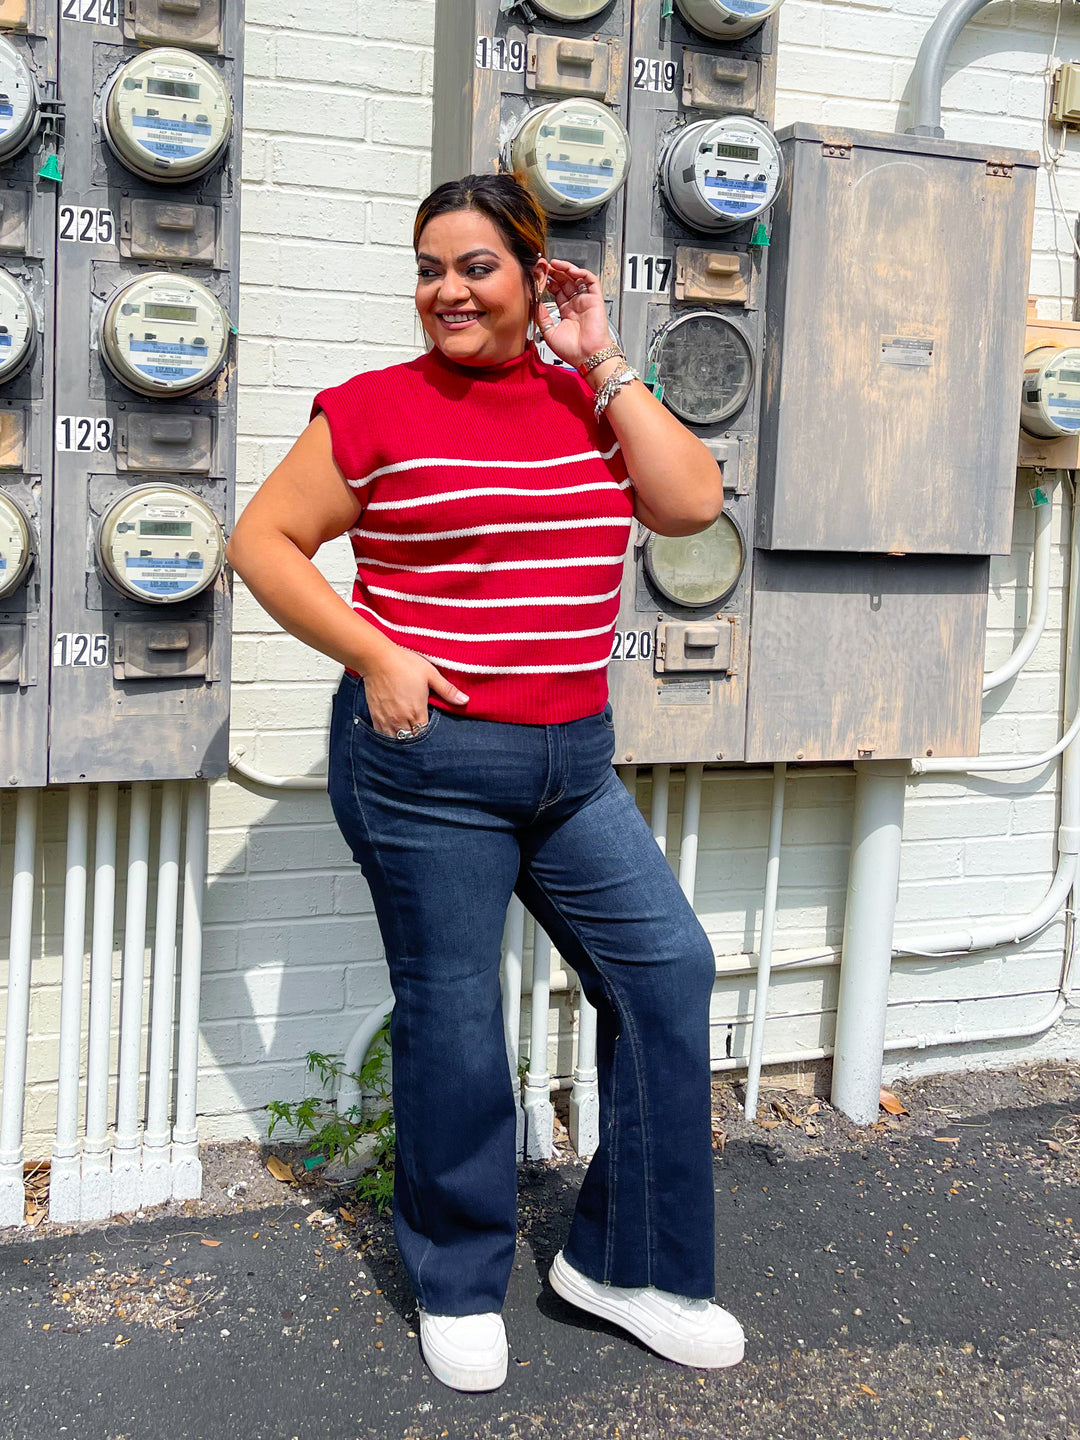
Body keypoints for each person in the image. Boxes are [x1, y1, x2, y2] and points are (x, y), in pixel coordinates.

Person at [226, 170, 743, 1393]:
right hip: (429, 769)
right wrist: (372, 648)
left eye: (476, 266)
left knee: (667, 971)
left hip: (573, 763)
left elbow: (691, 504)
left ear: (534, 274)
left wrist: (606, 360)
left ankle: (627, 1266)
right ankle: (457, 1277)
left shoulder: (589, 399)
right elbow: (263, 540)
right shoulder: (374, 410)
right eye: (428, 268)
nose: (447, 291)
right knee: (456, 1015)